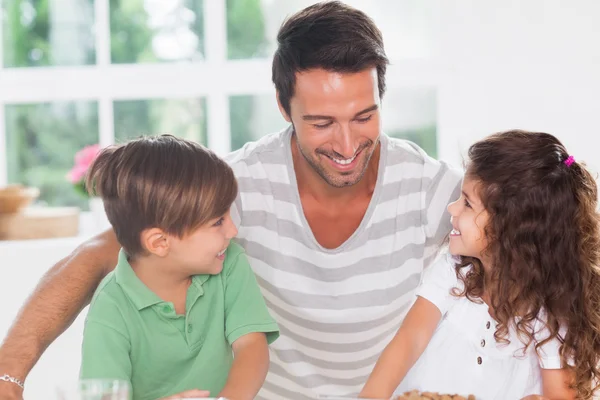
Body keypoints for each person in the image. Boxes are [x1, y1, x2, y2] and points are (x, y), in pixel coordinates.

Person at [0, 2, 461, 399]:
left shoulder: (429, 188)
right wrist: (8, 375)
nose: (346, 145)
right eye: (321, 123)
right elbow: (95, 257)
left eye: (364, 116)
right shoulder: (236, 185)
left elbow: (527, 241)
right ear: (284, 108)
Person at [359, 130, 600, 400]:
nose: (452, 208)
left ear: (510, 229)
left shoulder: (551, 318)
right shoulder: (457, 270)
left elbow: (559, 397)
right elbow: (408, 340)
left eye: (467, 204)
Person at [79, 135, 279, 400]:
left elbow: (252, 346)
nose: (233, 230)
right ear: (160, 242)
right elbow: (103, 396)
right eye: (218, 221)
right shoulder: (111, 307)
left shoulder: (229, 262)